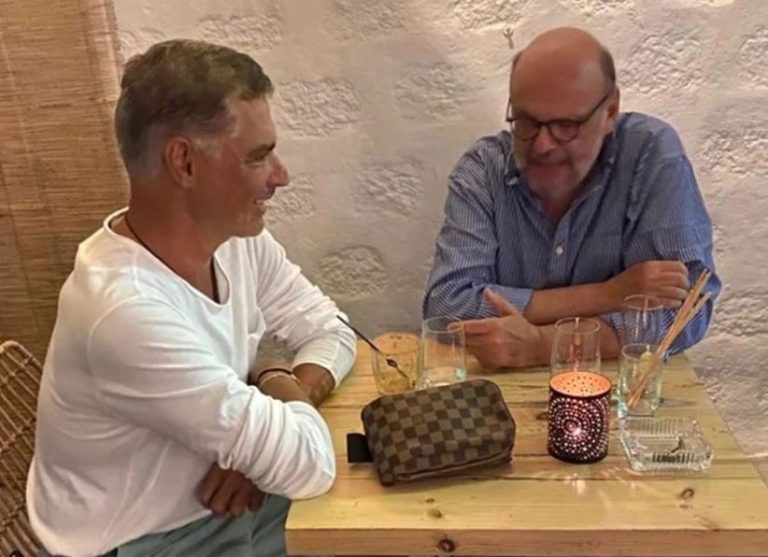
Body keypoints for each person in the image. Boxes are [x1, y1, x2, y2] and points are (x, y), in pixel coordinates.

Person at [27, 39, 356, 557]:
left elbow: (332, 329)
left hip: (232, 504)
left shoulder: (236, 241)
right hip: (142, 541)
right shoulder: (123, 311)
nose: (281, 176)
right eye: (259, 156)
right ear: (184, 162)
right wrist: (270, 392)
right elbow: (309, 464)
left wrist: (268, 413)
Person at [423, 27, 720, 370]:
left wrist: (543, 345)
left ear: (610, 112)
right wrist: (609, 294)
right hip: (502, 389)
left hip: (618, 388)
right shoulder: (483, 170)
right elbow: (446, 307)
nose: (542, 145)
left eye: (566, 125)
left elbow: (686, 311)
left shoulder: (650, 155)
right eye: (526, 122)